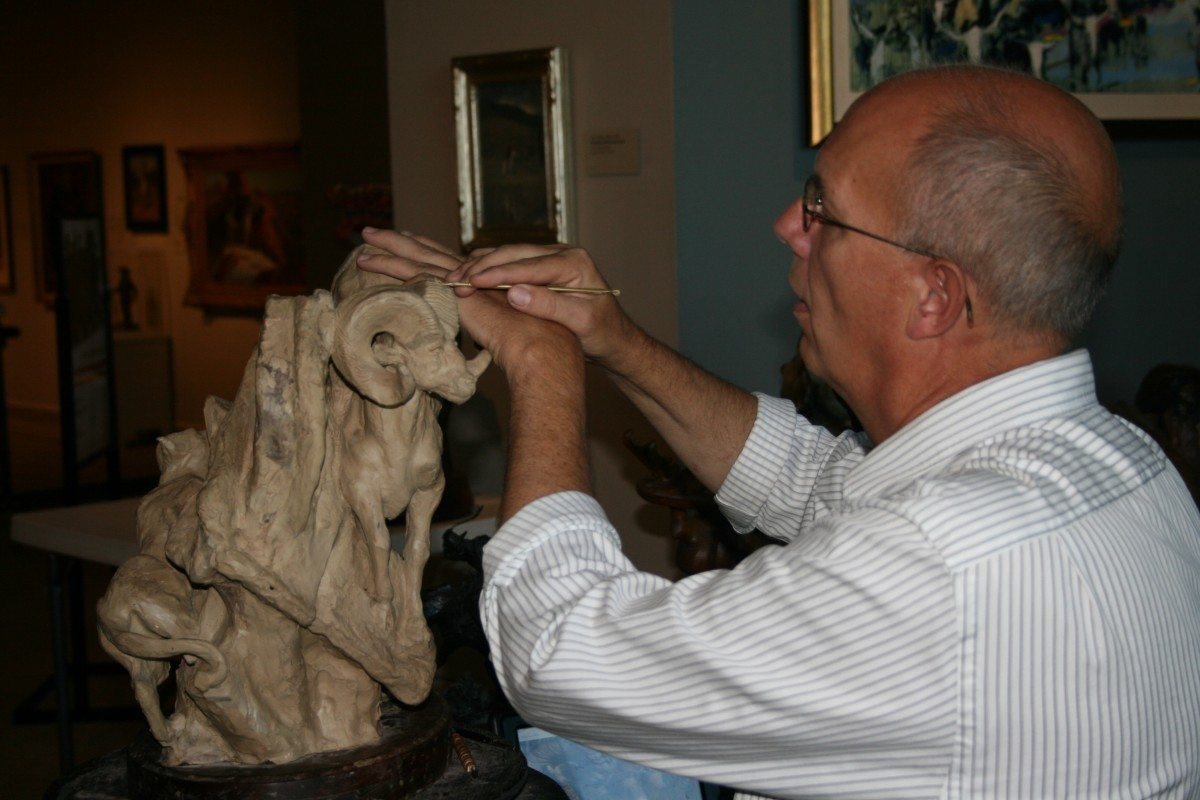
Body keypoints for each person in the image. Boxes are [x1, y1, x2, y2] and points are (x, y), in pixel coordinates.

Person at [357, 64, 1200, 799]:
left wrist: (540, 367)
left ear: (933, 297)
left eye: (822, 210)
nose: (788, 228)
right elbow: (813, 481)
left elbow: (561, 654)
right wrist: (613, 341)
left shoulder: (938, 567)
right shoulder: (1115, 458)